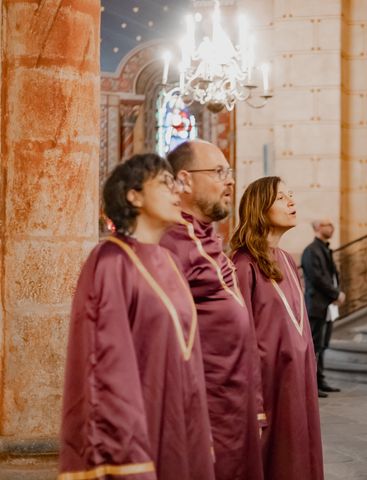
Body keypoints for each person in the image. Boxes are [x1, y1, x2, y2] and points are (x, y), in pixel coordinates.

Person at [58, 154, 215, 480]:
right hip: (137, 429)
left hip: (179, 423)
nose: (177, 192)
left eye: (177, 184)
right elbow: (105, 362)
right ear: (134, 195)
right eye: (165, 183)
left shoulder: (170, 261)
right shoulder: (111, 261)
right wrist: (126, 455)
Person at [160, 141, 265, 480]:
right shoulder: (169, 244)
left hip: (234, 399)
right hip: (204, 410)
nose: (230, 182)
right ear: (185, 180)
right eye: (220, 172)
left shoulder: (206, 238)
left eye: (229, 173)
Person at [230, 177, 323, 480]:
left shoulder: (286, 259)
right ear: (260, 208)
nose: (292, 202)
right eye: (282, 198)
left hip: (296, 381)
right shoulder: (243, 265)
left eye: (291, 195)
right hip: (268, 385)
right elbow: (237, 338)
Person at [301, 218, 345, 397]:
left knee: (323, 344)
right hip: (316, 304)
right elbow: (317, 277)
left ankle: (320, 379)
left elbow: (331, 275)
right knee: (314, 345)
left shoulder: (325, 248)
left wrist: (335, 293)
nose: (332, 227)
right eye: (328, 224)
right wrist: (335, 293)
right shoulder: (311, 251)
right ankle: (311, 383)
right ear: (319, 227)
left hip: (326, 305)